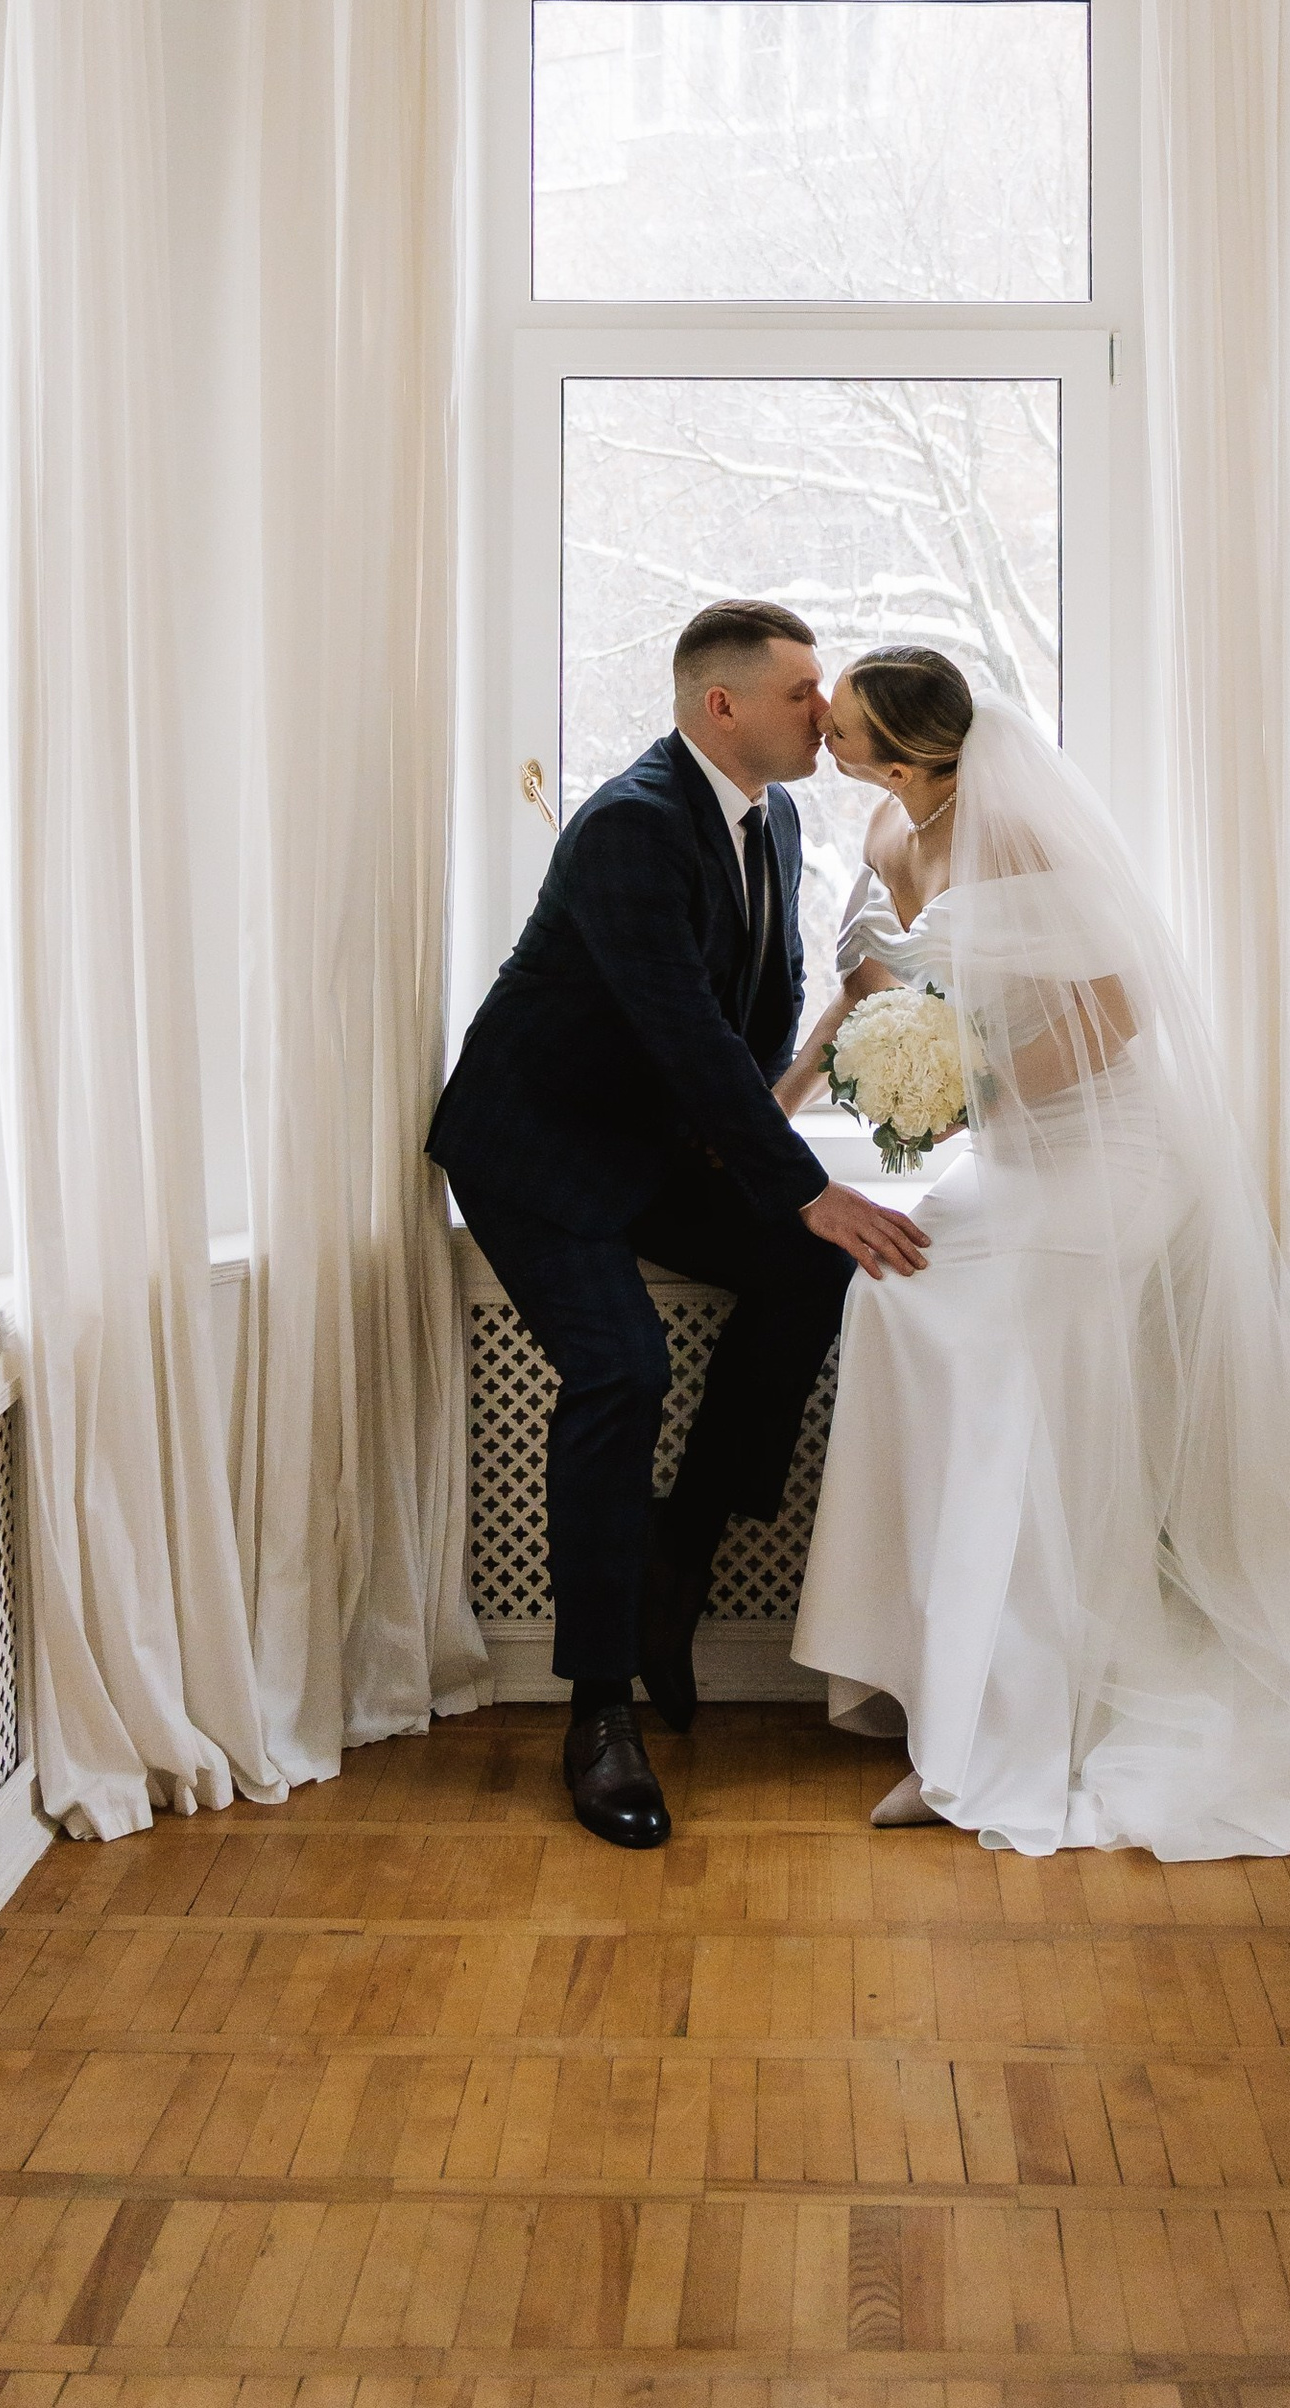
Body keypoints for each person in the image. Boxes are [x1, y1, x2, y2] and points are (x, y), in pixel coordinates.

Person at [786, 645, 1290, 1858]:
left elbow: (1114, 1013)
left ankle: (1023, 1719)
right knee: (891, 1306)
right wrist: (791, 1101)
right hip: (1010, 1159)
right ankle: (925, 1680)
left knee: (1010, 1363)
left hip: (1105, 1154)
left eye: (847, 720)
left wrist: (968, 1092)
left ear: (916, 751)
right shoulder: (880, 832)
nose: (826, 728)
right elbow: (867, 996)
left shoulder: (1017, 837)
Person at [429, 599, 928, 1849]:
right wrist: (805, 1179)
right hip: (536, 1149)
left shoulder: (781, 812)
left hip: (656, 1143)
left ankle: (677, 1549)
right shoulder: (630, 828)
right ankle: (596, 1714)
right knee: (622, 1369)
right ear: (724, 707)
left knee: (811, 1272)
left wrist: (784, 1162)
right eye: (804, 690)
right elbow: (680, 1033)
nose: (828, 710)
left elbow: (760, 1003)